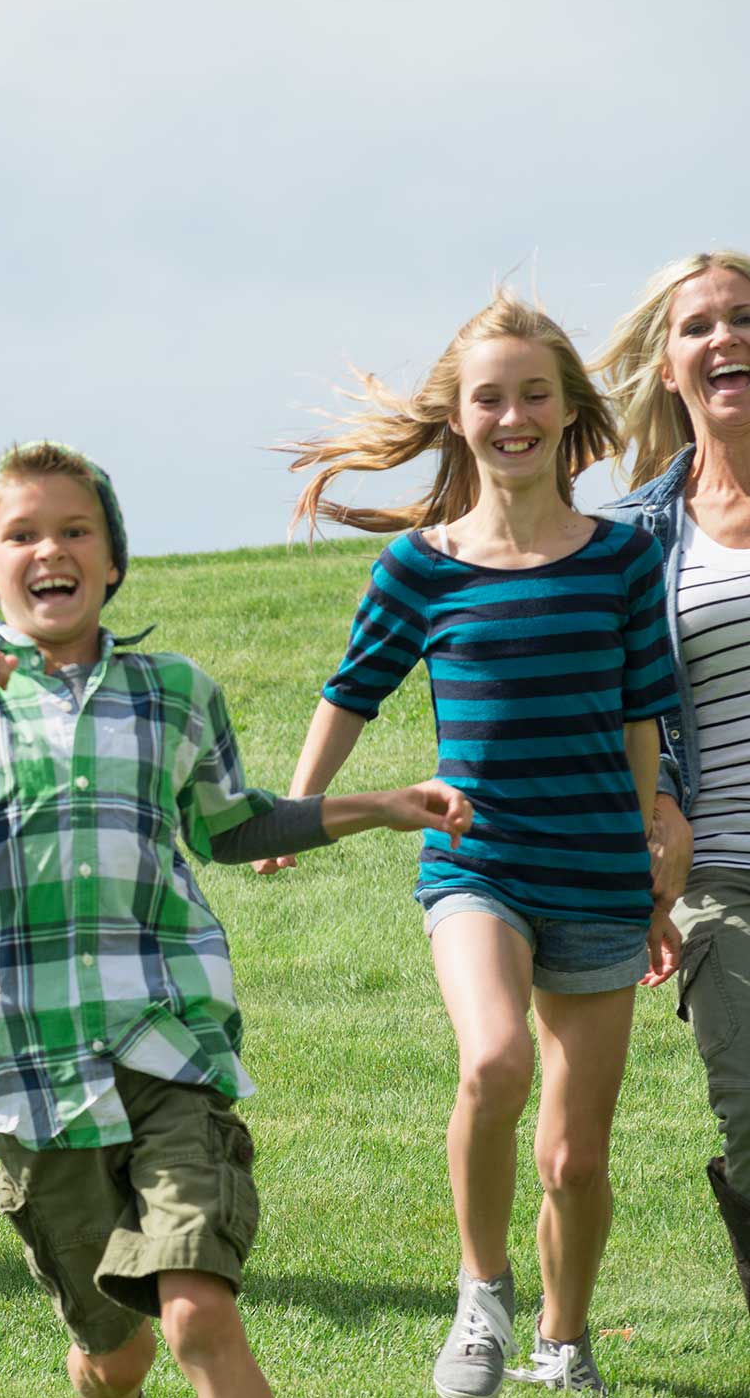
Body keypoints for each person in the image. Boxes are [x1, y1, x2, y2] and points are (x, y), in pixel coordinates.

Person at [0, 440, 467, 1398]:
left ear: (112, 559)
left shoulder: (175, 693)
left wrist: (383, 804)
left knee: (201, 1313)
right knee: (116, 1355)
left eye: (75, 531)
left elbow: (233, 827)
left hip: (171, 1039)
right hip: (28, 1066)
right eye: (21, 534)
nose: (50, 552)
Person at [273, 294, 678, 1395]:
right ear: (455, 415)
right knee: (492, 1058)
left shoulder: (621, 562)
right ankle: (479, 1302)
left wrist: (650, 878)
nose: (512, 416)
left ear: (567, 412)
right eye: (488, 397)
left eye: (533, 394)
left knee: (573, 1157)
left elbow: (642, 723)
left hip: (596, 871)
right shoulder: (421, 567)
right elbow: (349, 692)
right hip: (476, 863)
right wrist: (300, 812)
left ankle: (564, 1339)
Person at [593, 250, 750, 1315]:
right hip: (720, 875)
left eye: (744, 317)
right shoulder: (639, 538)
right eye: (698, 326)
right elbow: (620, 718)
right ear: (665, 364)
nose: (725, 339)